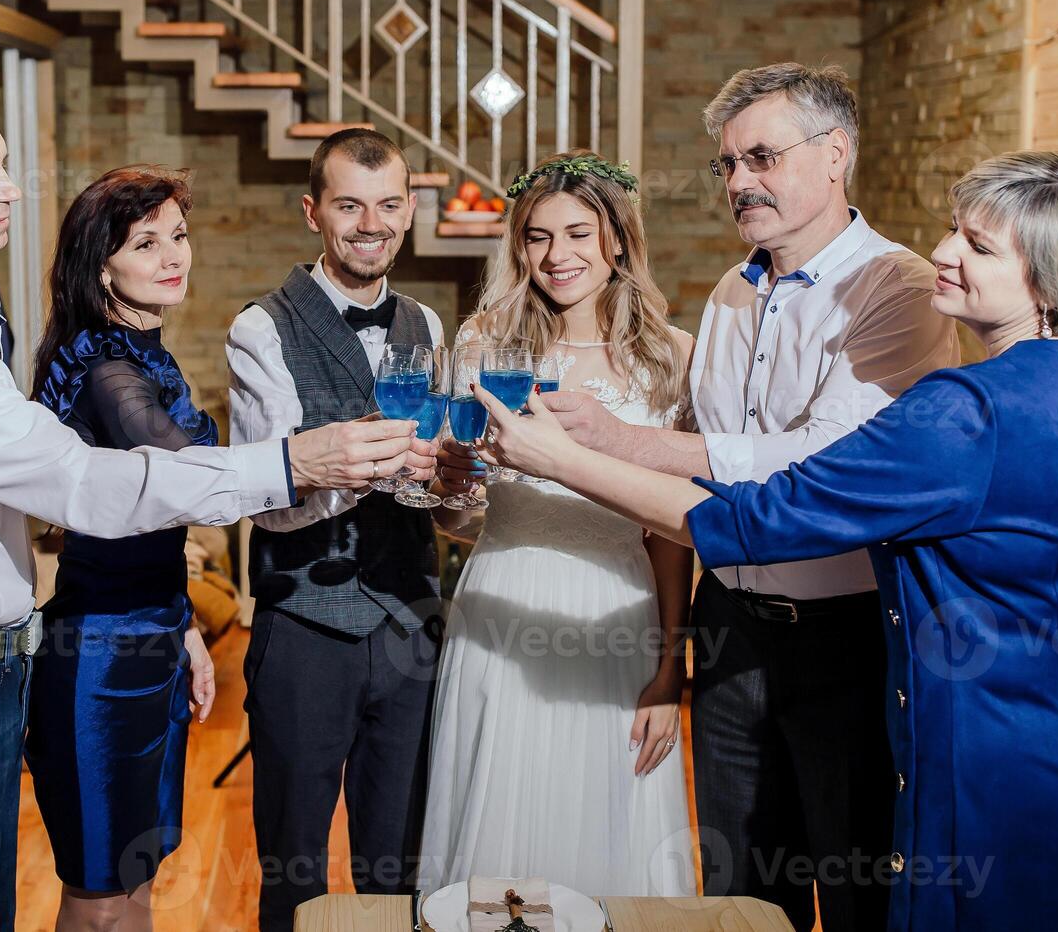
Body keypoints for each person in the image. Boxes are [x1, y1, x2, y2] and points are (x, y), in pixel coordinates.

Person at [472, 150, 1058, 932]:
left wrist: (566, 460)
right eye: (955, 231)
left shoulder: (966, 411)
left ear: (1050, 281)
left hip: (999, 792)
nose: (942, 252)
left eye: (978, 247)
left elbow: (759, 520)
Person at [0, 82, 431, 932]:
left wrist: (180, 621)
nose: (9, 187)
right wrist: (297, 460)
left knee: (103, 886)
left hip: (10, 659)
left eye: (5, 166)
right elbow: (91, 487)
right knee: (30, 904)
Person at [528, 63, 959, 929]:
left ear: (835, 154)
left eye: (760, 157)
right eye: (726, 164)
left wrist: (621, 442)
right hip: (730, 630)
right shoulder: (732, 292)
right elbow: (711, 469)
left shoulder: (898, 289)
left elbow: (826, 463)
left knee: (853, 879)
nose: (738, 182)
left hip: (843, 640)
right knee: (738, 893)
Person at [420, 151, 697, 896]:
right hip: (501, 603)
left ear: (617, 239)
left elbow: (672, 534)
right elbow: (460, 513)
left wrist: (670, 671)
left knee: (605, 820)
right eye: (537, 237)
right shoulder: (485, 342)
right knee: (499, 819)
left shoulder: (672, 360)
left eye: (578, 233)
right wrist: (451, 490)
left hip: (617, 615)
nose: (556, 256)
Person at [225, 128, 445, 932]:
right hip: (305, 630)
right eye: (350, 205)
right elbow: (268, 501)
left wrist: (451, 479)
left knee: (401, 862)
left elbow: (438, 479)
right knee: (295, 866)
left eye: (389, 205)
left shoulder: (424, 320)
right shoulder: (261, 329)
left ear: (411, 210)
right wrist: (371, 471)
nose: (371, 224)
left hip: (412, 624)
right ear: (313, 211)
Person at [22, 166, 220, 930]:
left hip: (153, 640)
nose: (175, 255)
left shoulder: (143, 350)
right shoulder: (105, 366)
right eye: (147, 243)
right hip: (98, 663)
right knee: (99, 899)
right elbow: (182, 478)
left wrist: (186, 628)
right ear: (101, 264)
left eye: (177, 235)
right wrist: (310, 460)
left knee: (138, 879)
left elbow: (144, 527)